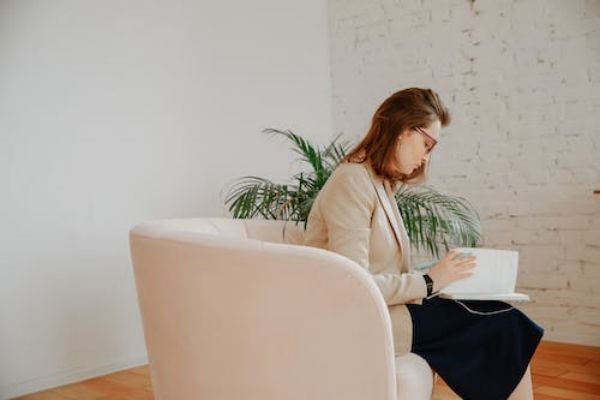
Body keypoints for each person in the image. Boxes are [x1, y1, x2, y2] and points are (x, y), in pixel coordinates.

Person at [303, 87, 544, 400]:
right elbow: (354, 283)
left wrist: (441, 280)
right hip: (364, 317)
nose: (426, 157)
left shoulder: (378, 183)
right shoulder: (351, 180)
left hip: (390, 308)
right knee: (504, 324)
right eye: (427, 144)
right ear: (402, 130)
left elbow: (384, 270)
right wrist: (430, 281)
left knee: (502, 315)